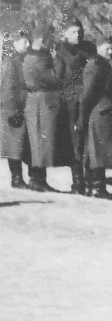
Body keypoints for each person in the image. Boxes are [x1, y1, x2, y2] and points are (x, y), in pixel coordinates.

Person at [79, 37, 112, 198]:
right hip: (99, 113)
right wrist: (83, 116)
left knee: (98, 150)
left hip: (104, 112)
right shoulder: (95, 66)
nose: (110, 52)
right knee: (97, 151)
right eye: (107, 49)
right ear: (98, 48)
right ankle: (96, 187)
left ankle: (94, 186)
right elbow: (87, 94)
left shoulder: (102, 64)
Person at [23, 23, 69, 193]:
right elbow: (55, 78)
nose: (53, 42)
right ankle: (38, 180)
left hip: (35, 102)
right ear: (42, 40)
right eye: (50, 38)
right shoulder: (41, 58)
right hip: (43, 102)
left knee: (37, 143)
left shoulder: (28, 56)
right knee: (42, 143)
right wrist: (57, 59)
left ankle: (37, 179)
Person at [54, 18, 95, 195]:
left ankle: (93, 180)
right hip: (71, 101)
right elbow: (58, 77)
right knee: (75, 141)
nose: (77, 35)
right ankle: (78, 182)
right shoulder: (62, 51)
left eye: (79, 31)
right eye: (73, 32)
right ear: (65, 33)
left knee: (90, 138)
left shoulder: (89, 48)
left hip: (89, 98)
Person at [2, 30, 31, 188]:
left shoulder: (22, 60)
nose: (28, 45)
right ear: (15, 43)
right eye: (24, 42)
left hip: (21, 109)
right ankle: (17, 179)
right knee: (14, 145)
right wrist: (13, 111)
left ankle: (22, 178)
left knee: (19, 145)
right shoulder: (10, 61)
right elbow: (7, 88)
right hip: (12, 111)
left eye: (28, 42)